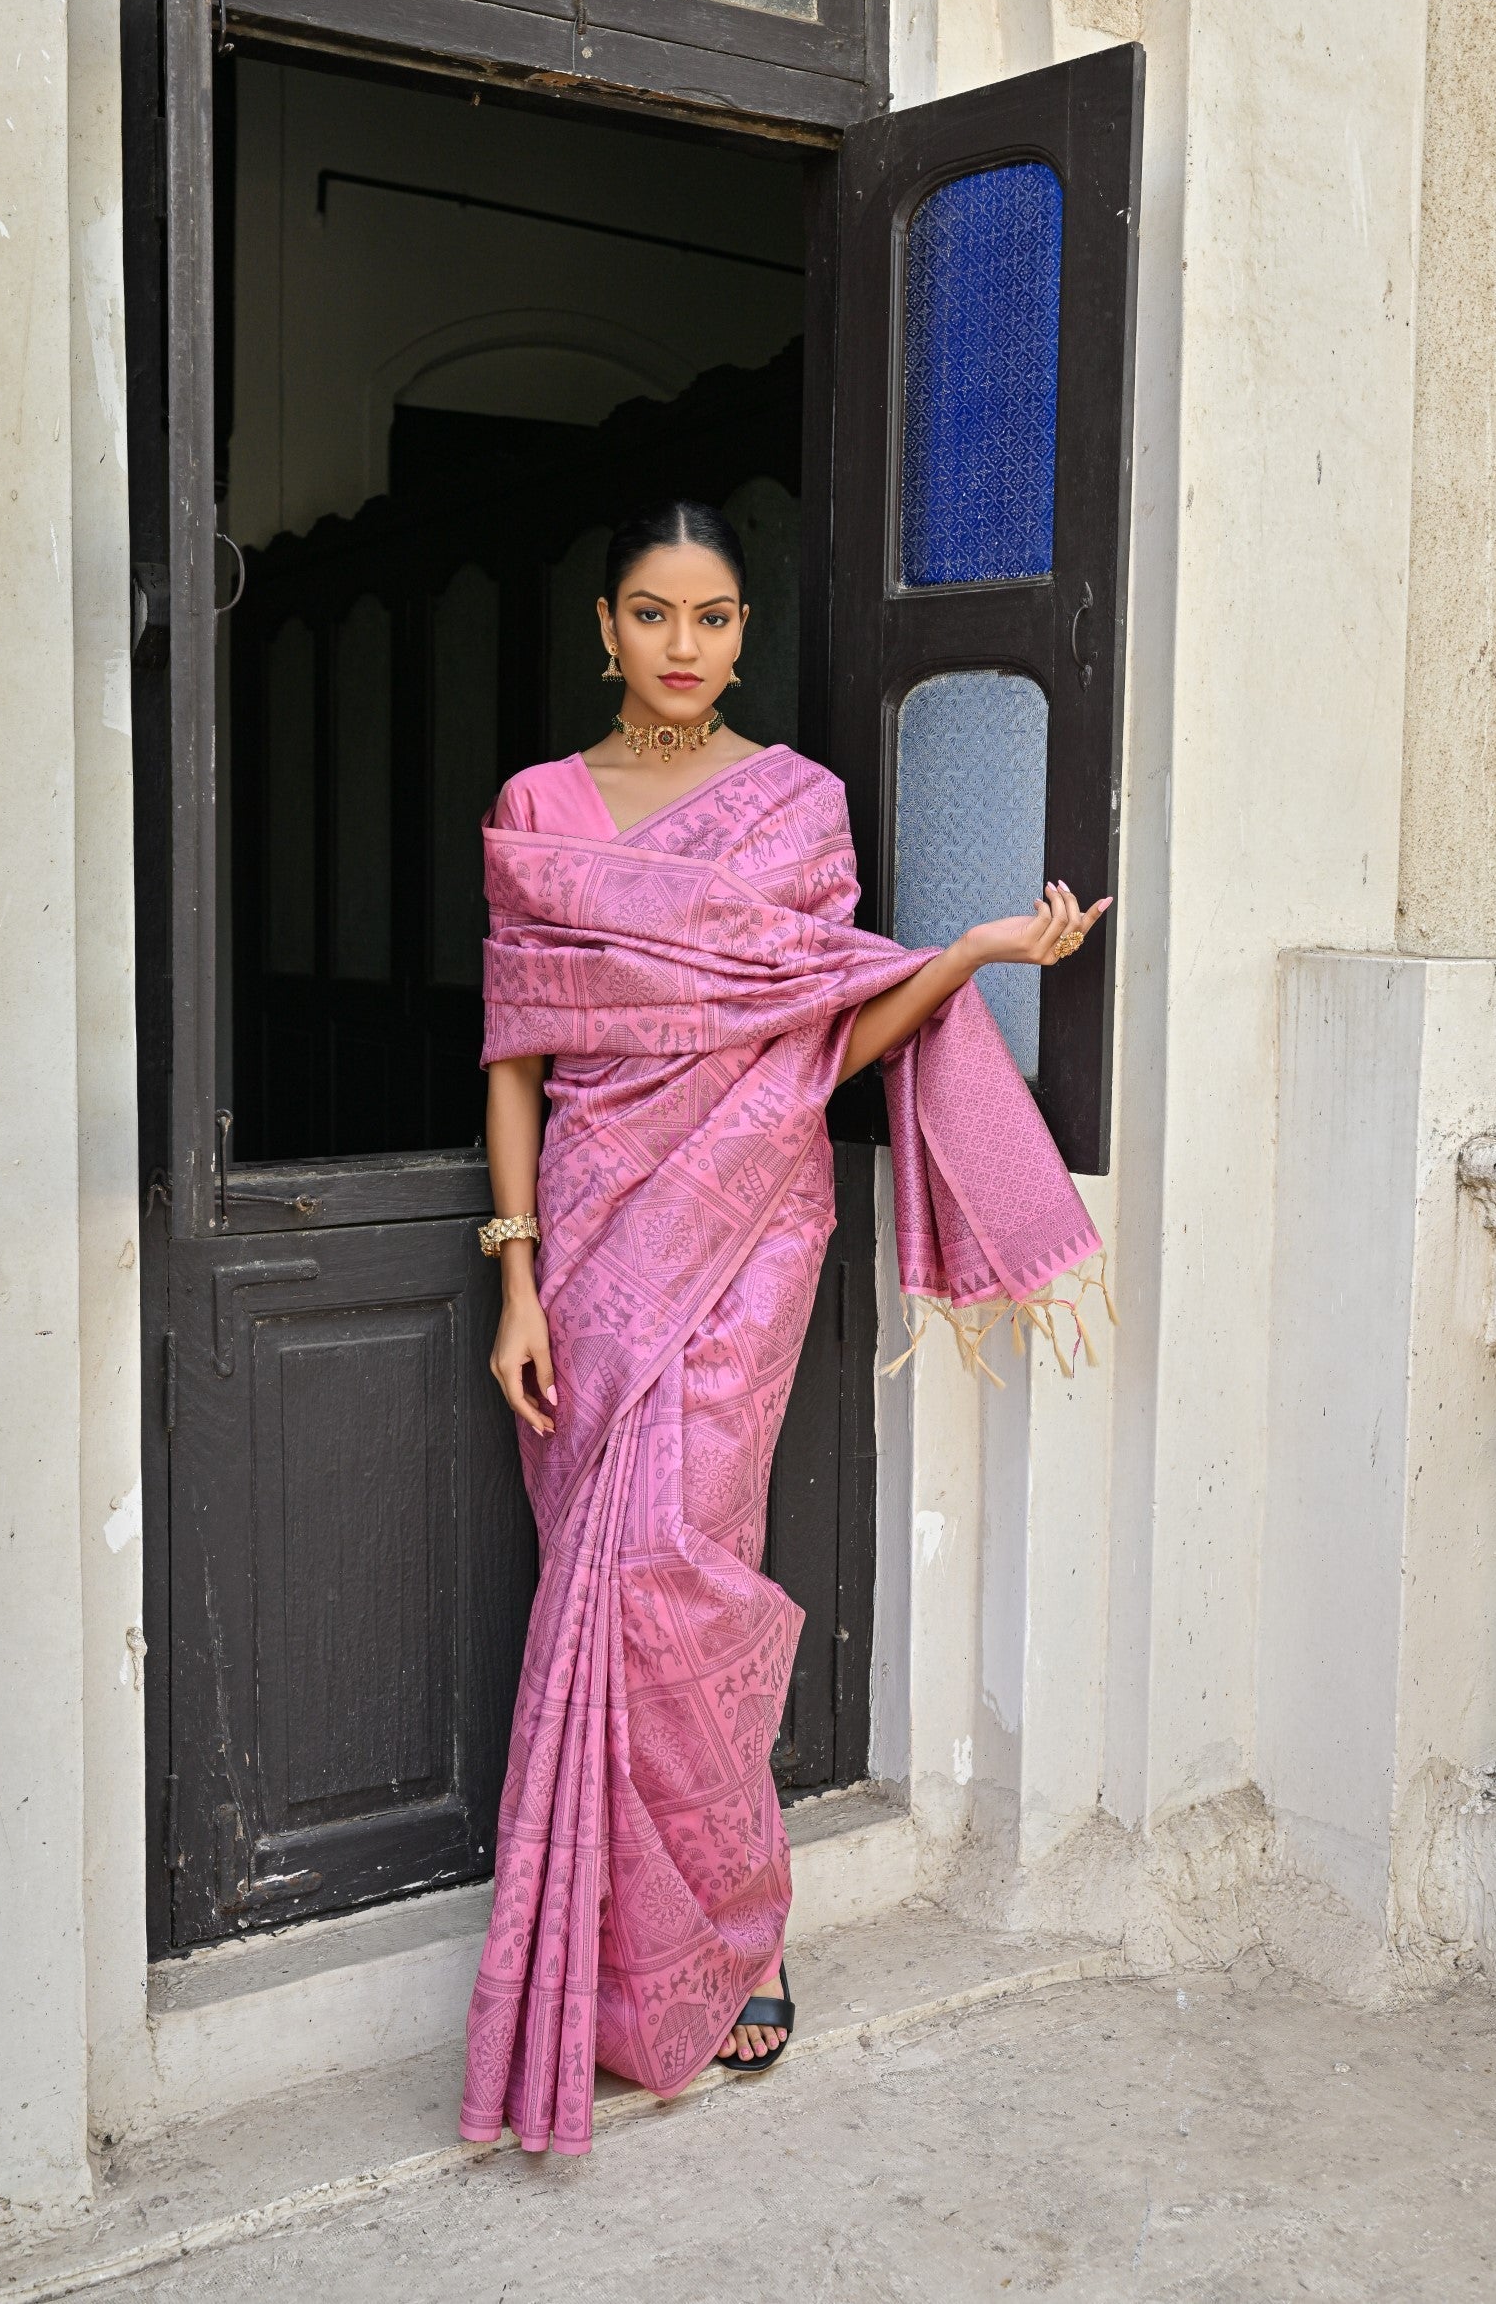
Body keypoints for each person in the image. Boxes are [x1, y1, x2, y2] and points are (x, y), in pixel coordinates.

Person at [459, 501, 1110, 2155]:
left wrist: (961, 950)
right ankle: (610, 1968)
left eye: (719, 617)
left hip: (749, 1232)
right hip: (595, 1248)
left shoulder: (798, 808)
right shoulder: (538, 812)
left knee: (684, 1573)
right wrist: (520, 1273)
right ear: (601, 626)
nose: (688, 648)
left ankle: (732, 1934)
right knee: (609, 1584)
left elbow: (826, 1039)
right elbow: (518, 1060)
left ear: (746, 630)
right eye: (655, 615)